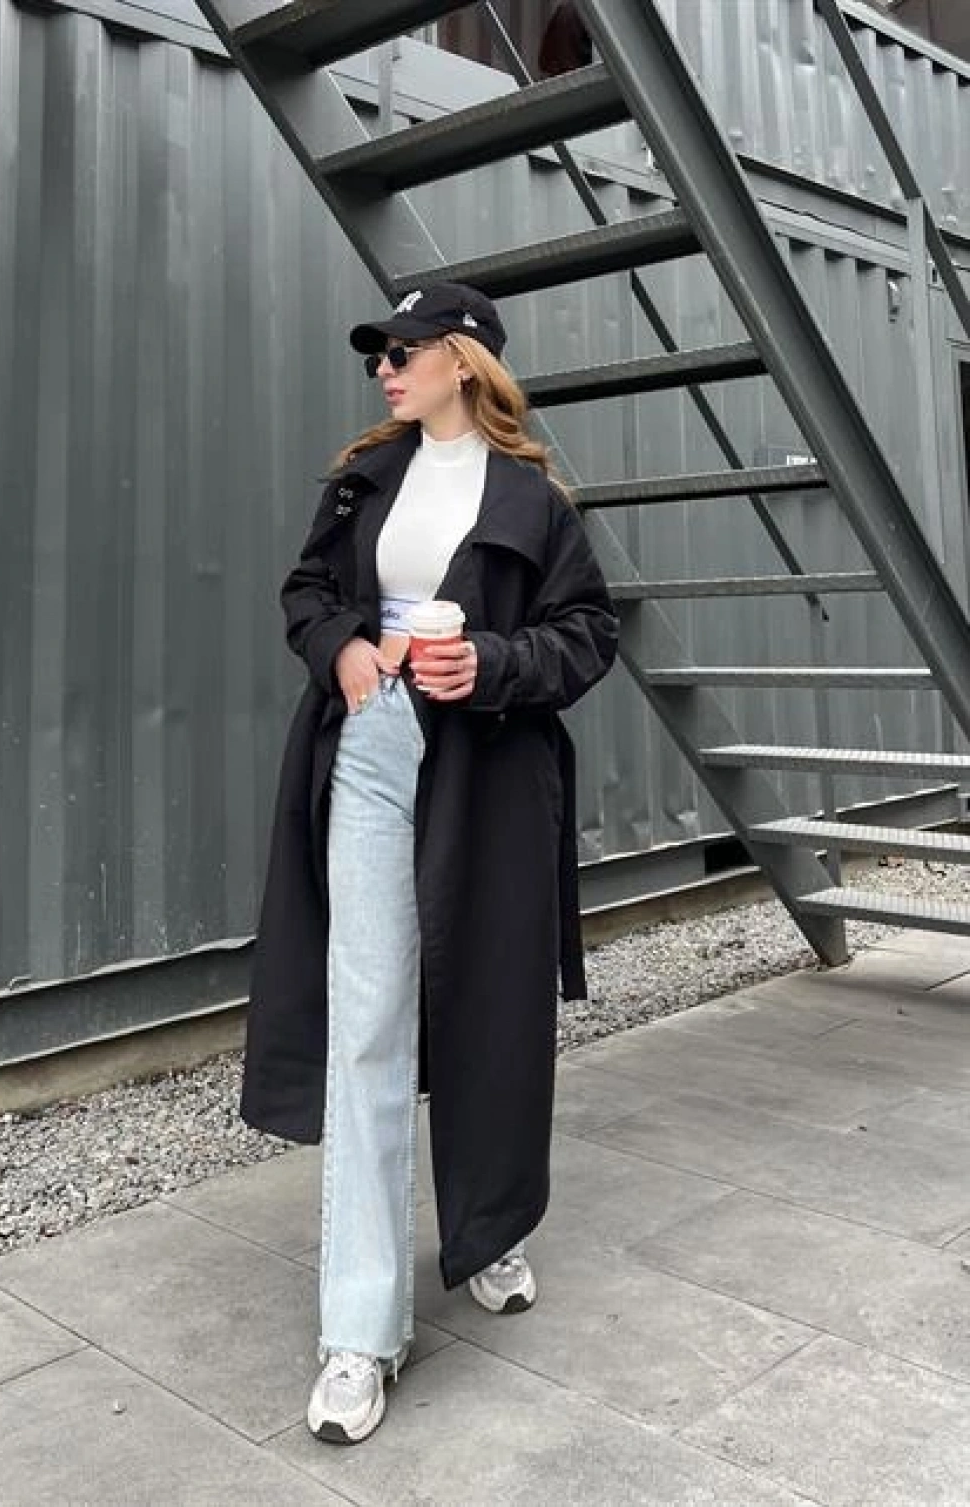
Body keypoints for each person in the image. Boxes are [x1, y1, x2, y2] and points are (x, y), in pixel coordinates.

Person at [240, 281, 619, 1443]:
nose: (385, 369)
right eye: (380, 354)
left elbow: (588, 632)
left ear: (464, 359)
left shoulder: (534, 500)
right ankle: (359, 1331)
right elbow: (307, 591)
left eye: (403, 350)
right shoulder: (364, 478)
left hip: (488, 769)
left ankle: (491, 1225)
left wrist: (492, 664)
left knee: (485, 1006)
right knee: (367, 1018)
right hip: (369, 745)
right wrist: (343, 650)